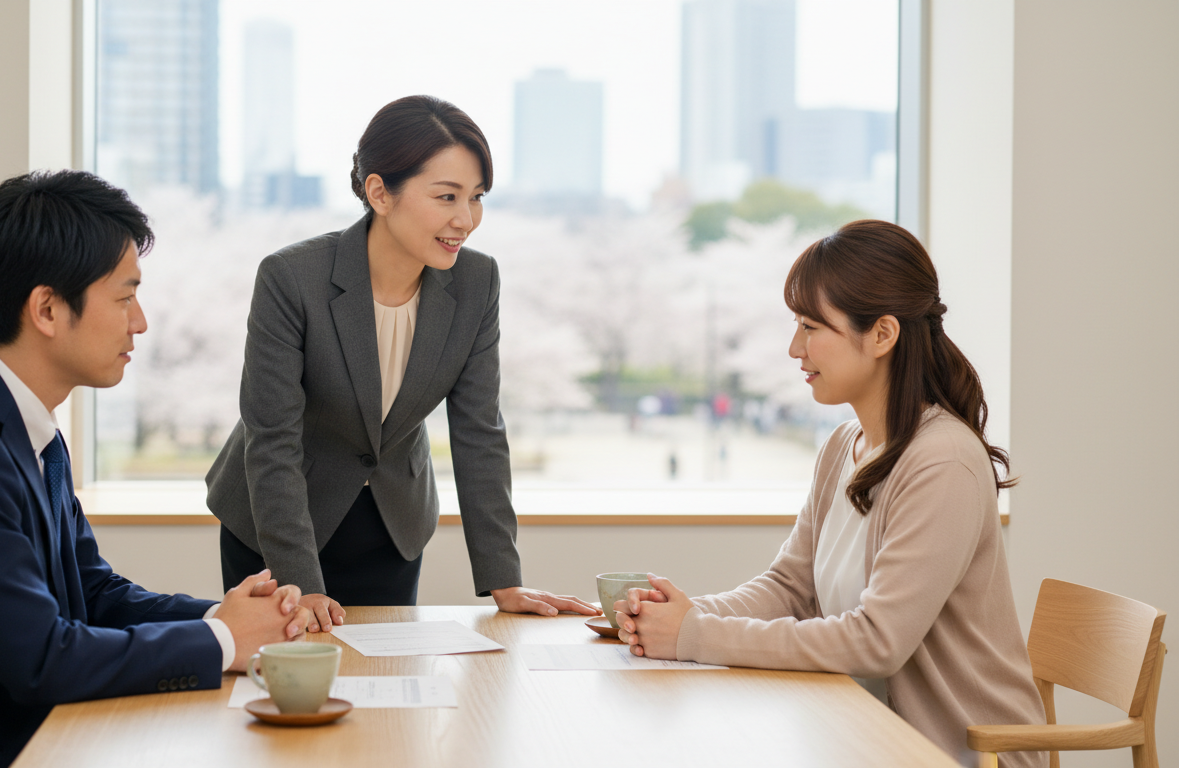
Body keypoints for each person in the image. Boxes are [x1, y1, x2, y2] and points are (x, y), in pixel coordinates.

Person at [0, 171, 310, 768]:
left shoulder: (23, 427)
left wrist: (227, 616)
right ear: (48, 309)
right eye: (123, 297)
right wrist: (222, 642)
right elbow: (42, 660)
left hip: (27, 737)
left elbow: (91, 593)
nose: (139, 322)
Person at [613, 220, 1047, 768]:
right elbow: (790, 588)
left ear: (883, 335)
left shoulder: (943, 462)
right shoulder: (846, 444)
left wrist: (695, 634)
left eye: (812, 327)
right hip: (858, 734)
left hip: (954, 753)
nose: (795, 348)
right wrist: (676, 617)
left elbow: (876, 641)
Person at [207, 95, 598, 626]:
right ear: (379, 193)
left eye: (477, 197)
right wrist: (299, 581)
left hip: (392, 523)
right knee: (286, 684)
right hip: (275, 527)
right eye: (446, 196)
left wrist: (504, 579)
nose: (466, 219)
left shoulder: (477, 282)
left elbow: (480, 430)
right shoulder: (291, 278)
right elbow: (272, 437)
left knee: (388, 689)